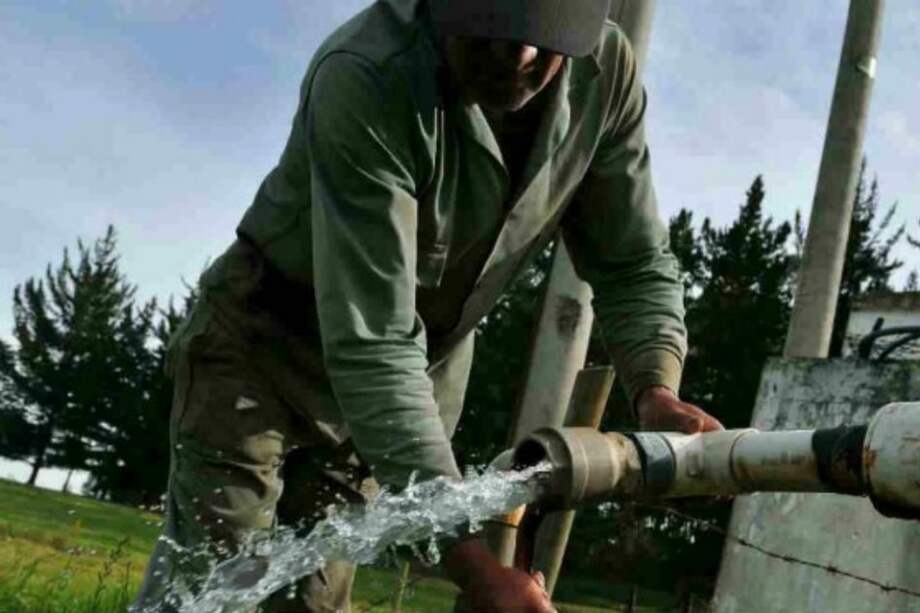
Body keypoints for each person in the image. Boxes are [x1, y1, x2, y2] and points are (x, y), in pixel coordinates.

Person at [132, 0, 724, 611]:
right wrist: (474, 570)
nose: (517, 58)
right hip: (261, 348)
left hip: (412, 374)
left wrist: (655, 387)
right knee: (215, 590)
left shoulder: (606, 74)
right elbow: (374, 341)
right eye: (492, 32)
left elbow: (631, 259)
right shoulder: (364, 73)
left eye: (543, 40)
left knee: (311, 601)